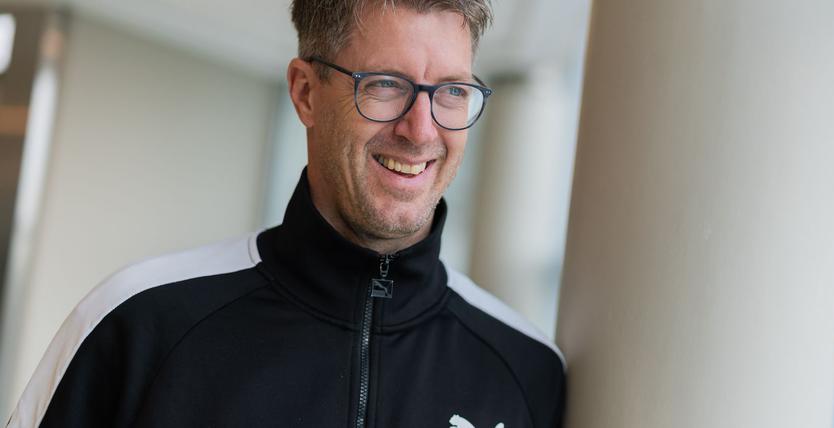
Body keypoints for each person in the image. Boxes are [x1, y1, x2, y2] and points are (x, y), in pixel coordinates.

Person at [5, 0, 566, 426]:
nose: (421, 130)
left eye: (452, 91)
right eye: (386, 85)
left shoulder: (526, 369)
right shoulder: (138, 323)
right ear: (305, 92)